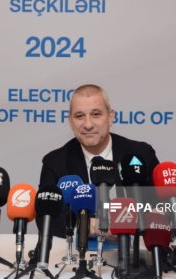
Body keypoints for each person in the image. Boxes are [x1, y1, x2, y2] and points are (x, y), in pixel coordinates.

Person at [39, 84, 160, 238]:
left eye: (96, 114)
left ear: (110, 117)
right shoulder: (55, 162)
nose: (88, 125)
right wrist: (84, 226)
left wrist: (130, 223)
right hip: (79, 249)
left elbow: (164, 207)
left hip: (134, 246)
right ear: (70, 121)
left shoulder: (141, 154)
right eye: (79, 116)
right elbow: (45, 218)